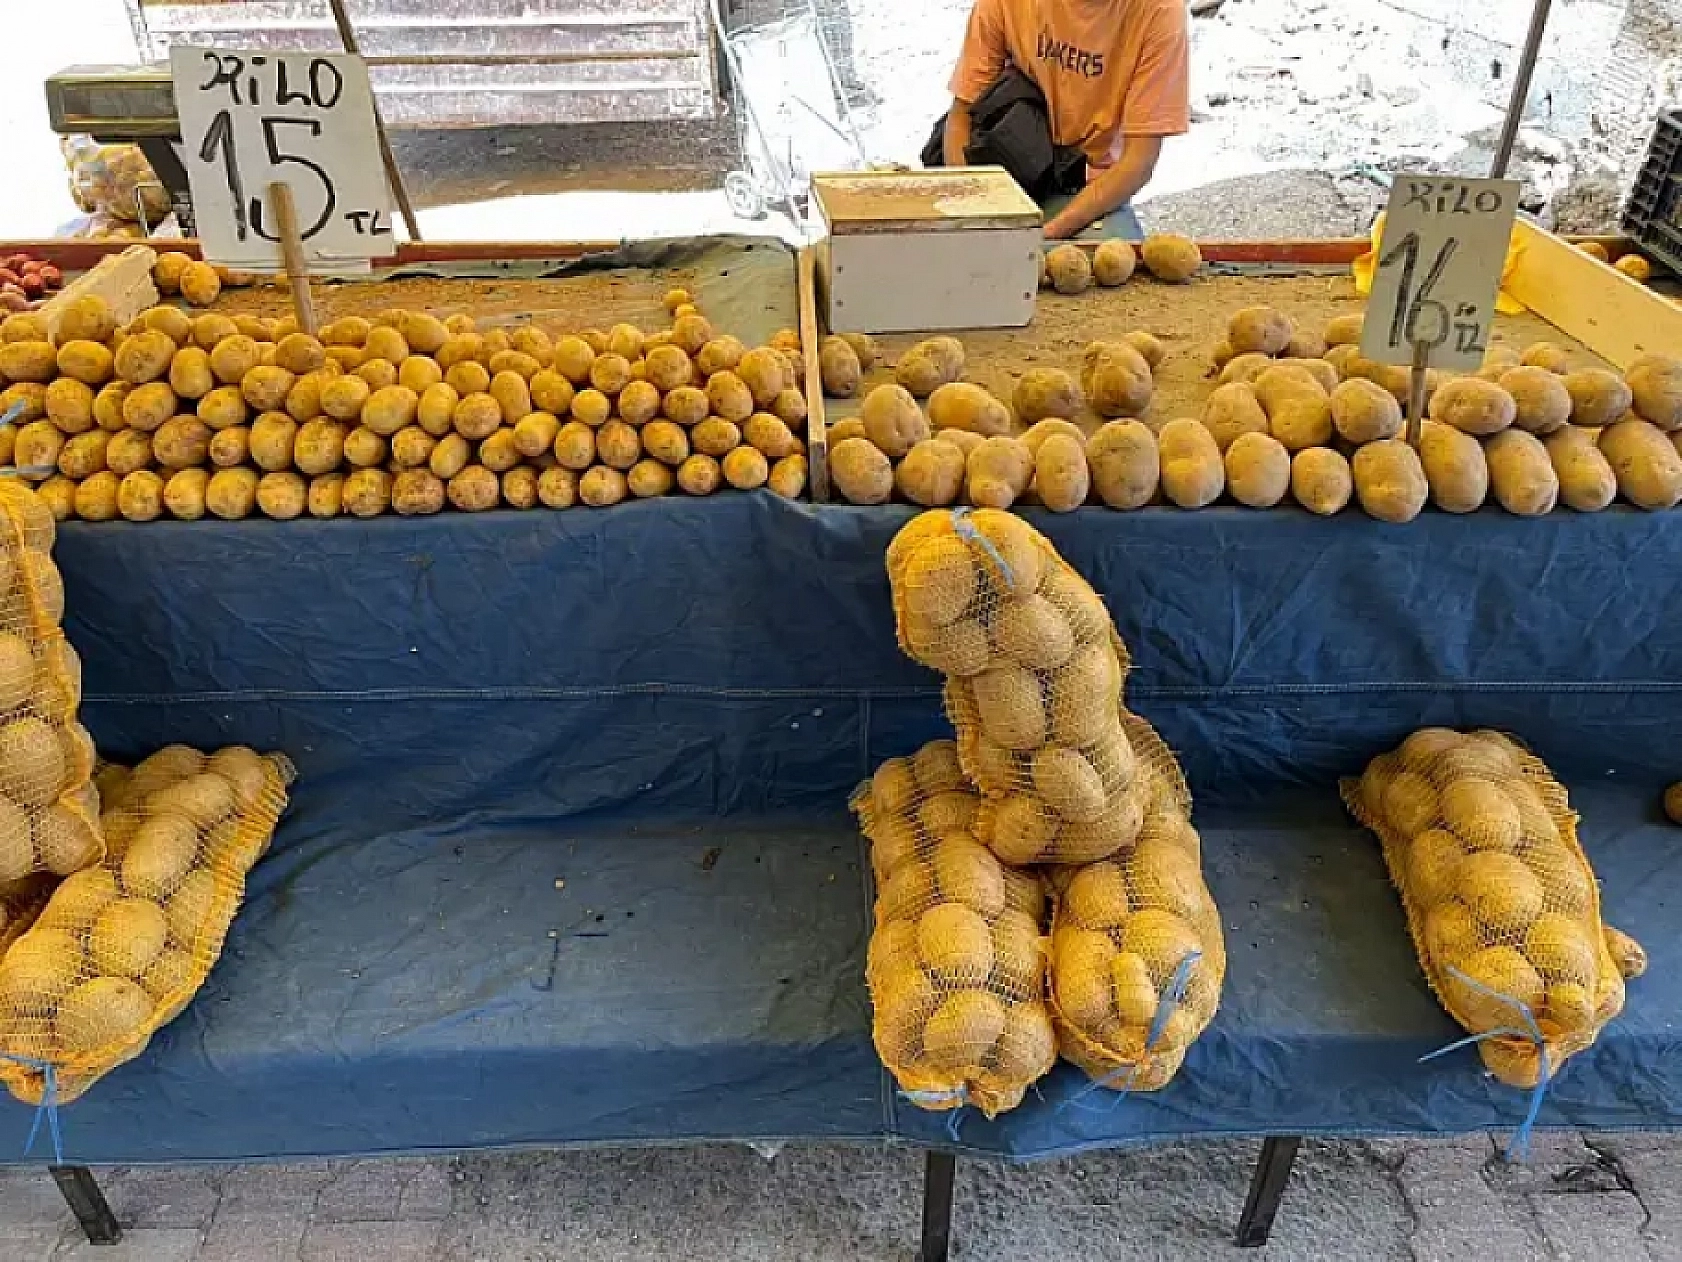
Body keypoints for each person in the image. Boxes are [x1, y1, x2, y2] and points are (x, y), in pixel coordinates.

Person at [942, 0, 1190, 239]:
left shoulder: (1159, 11)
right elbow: (962, 115)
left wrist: (1050, 233)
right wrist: (971, 211)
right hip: (995, 169)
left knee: (1100, 268)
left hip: (1082, 185)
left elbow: (1138, 160)